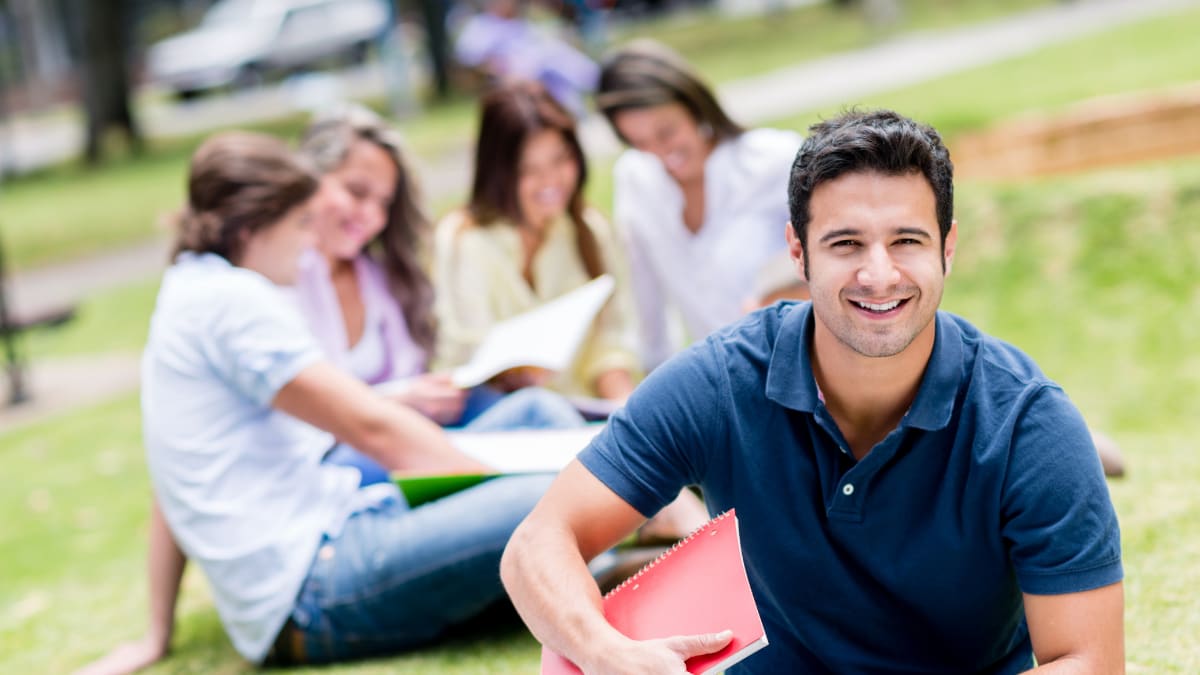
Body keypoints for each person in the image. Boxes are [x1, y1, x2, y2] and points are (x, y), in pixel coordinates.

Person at [500, 109, 1124, 673]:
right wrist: (607, 653)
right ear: (798, 252)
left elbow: (1088, 662)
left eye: (907, 240)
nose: (879, 274)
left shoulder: (1028, 424)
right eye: (845, 243)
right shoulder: (720, 381)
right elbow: (538, 544)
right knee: (570, 659)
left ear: (947, 248)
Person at [78, 131, 554, 674]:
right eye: (301, 224)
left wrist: (155, 635)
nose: (309, 244)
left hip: (336, 515)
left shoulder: (197, 288)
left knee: (538, 423)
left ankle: (587, 552)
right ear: (251, 229)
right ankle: (603, 552)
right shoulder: (230, 303)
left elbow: (175, 476)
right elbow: (372, 428)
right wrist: (494, 491)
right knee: (545, 496)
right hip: (310, 589)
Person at [595, 39, 805, 371]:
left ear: (694, 106)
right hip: (723, 380)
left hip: (799, 364)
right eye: (639, 143)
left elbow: (835, 263)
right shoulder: (635, 178)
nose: (660, 154)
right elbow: (646, 299)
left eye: (666, 132)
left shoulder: (774, 160)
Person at [434, 81, 641, 403]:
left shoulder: (589, 229)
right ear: (499, 172)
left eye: (561, 160)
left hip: (581, 413)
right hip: (501, 413)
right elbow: (465, 352)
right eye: (528, 169)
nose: (551, 181)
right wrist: (513, 374)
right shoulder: (464, 238)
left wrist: (624, 411)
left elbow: (611, 342)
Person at [453, 0, 599, 116]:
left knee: (557, 57)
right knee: (550, 60)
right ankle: (599, 84)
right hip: (512, 74)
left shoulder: (521, 23)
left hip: (540, 67)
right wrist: (502, 74)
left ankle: (591, 91)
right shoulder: (480, 27)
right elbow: (468, 66)